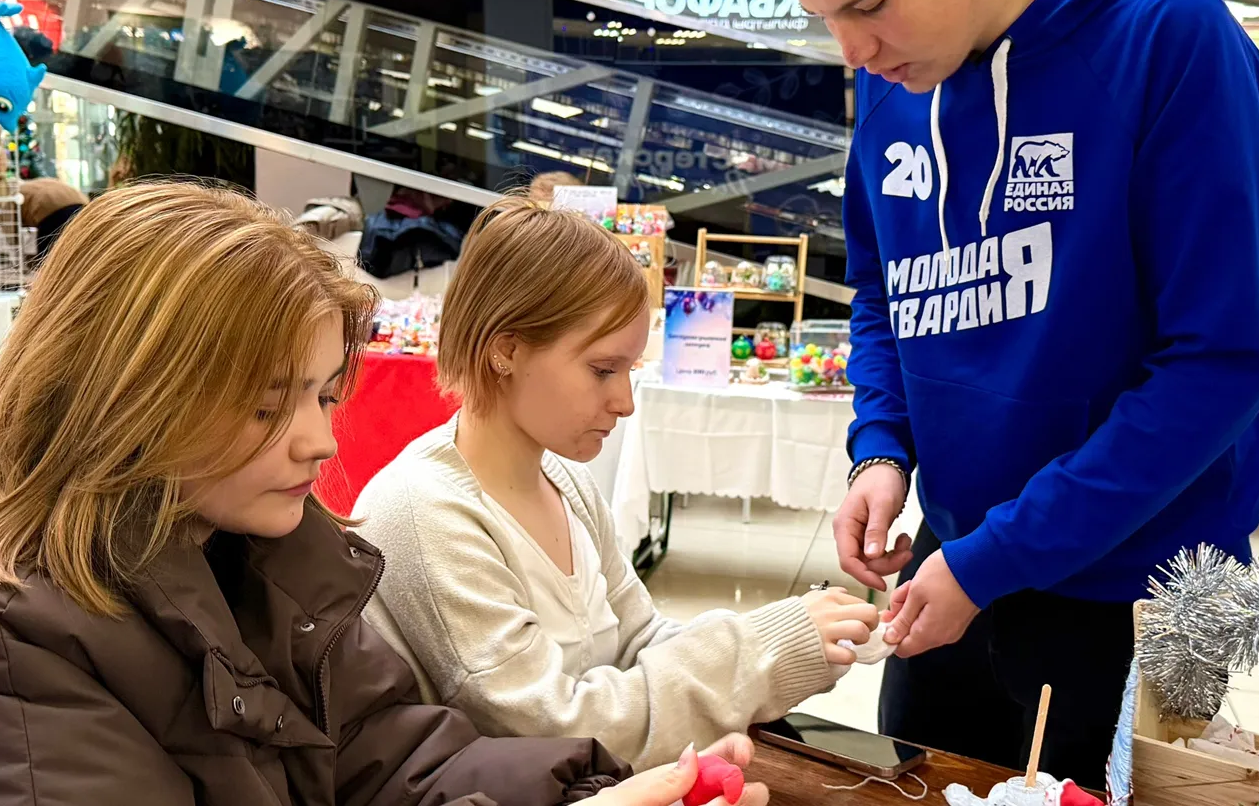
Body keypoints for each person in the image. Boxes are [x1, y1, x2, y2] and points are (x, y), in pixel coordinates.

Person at [0, 181, 768, 806]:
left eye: (321, 397)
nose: (320, 442)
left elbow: (394, 760)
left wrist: (595, 788)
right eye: (265, 403)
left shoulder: (267, 559)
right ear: (133, 394)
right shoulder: (14, 644)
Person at [746, 0, 1259, 785]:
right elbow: (885, 293)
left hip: (1133, 588)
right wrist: (882, 449)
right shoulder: (901, 72)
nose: (852, 49)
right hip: (950, 565)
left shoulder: (1167, 34)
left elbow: (1217, 363)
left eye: (872, 3)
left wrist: (995, 558)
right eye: (825, 15)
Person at [353, 198, 880, 771]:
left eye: (628, 371)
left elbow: (639, 638)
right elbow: (555, 731)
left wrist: (788, 639)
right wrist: (757, 652)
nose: (625, 403)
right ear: (505, 348)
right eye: (602, 370)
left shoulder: (566, 481)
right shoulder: (424, 512)